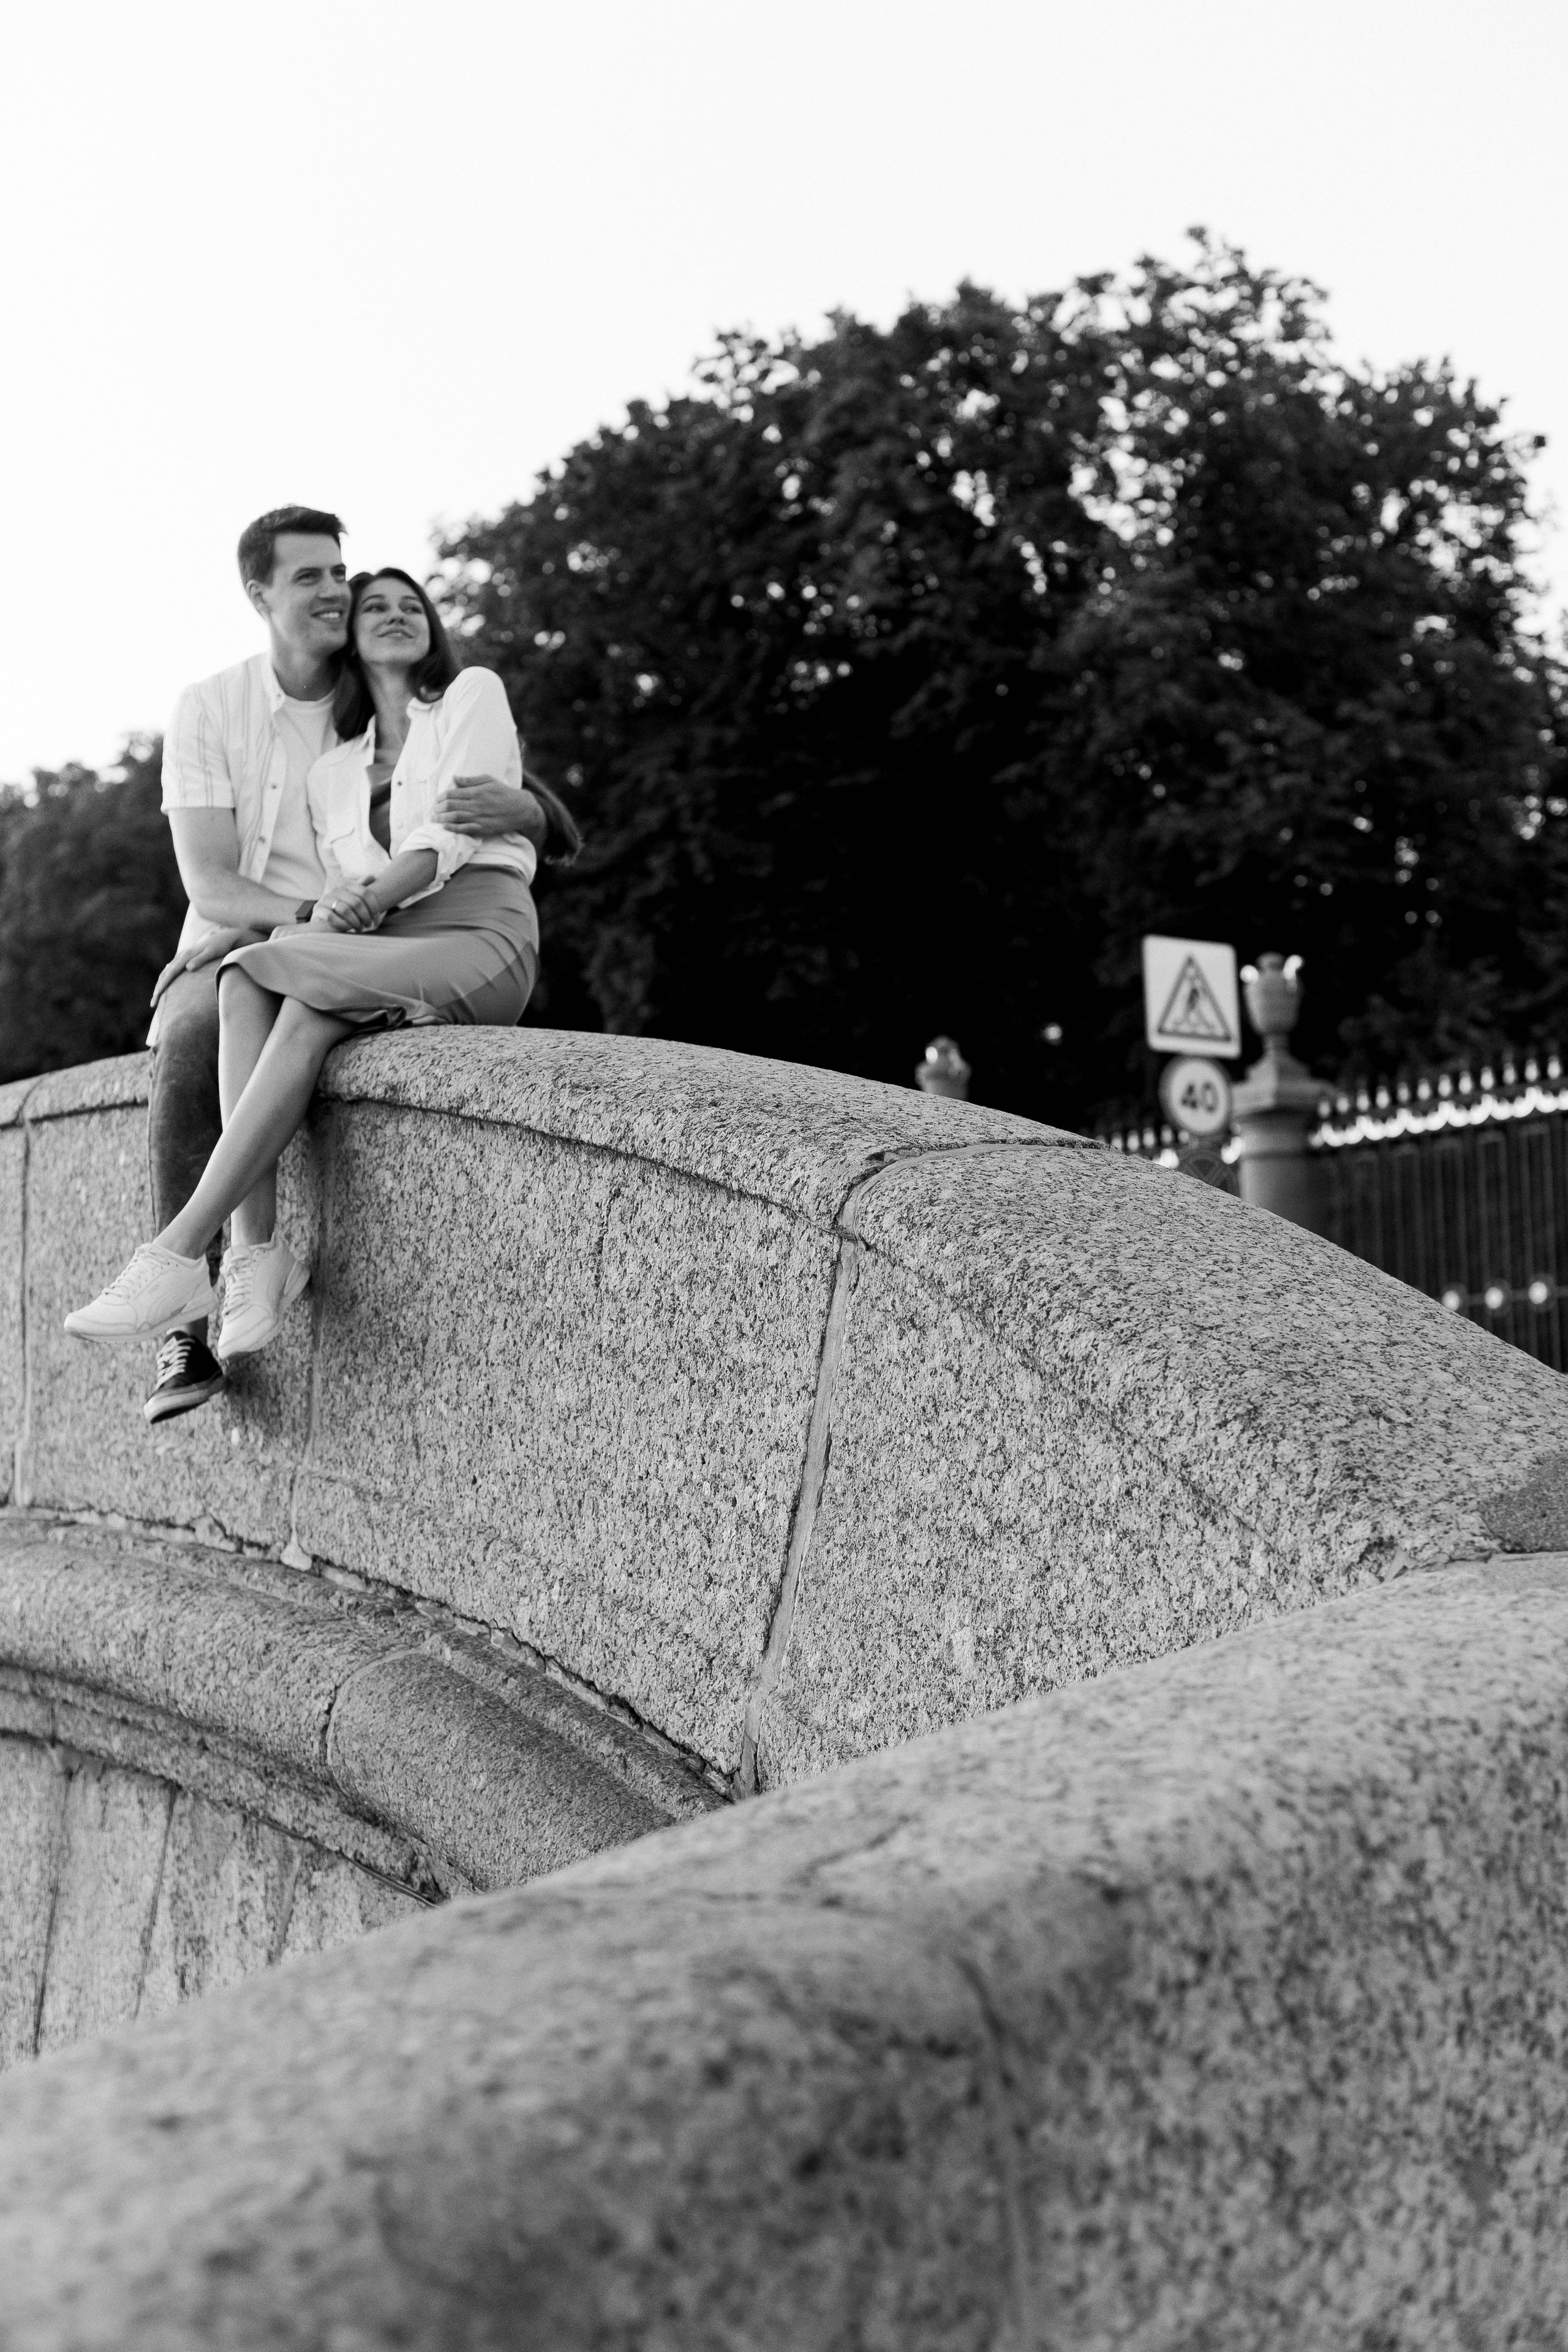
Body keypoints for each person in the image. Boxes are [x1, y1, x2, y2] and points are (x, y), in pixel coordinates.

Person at [67, 561, 579, 1369]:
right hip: (391, 934)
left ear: (433, 626)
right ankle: (255, 1255)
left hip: (480, 927)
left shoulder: (471, 694)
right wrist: (262, 928)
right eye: (375, 605)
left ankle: (175, 1253)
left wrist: (369, 902)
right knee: (252, 976)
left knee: (273, 970)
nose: (395, 614)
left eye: (412, 605)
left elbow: (453, 833)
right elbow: (334, 887)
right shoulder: (335, 769)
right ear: (350, 635)